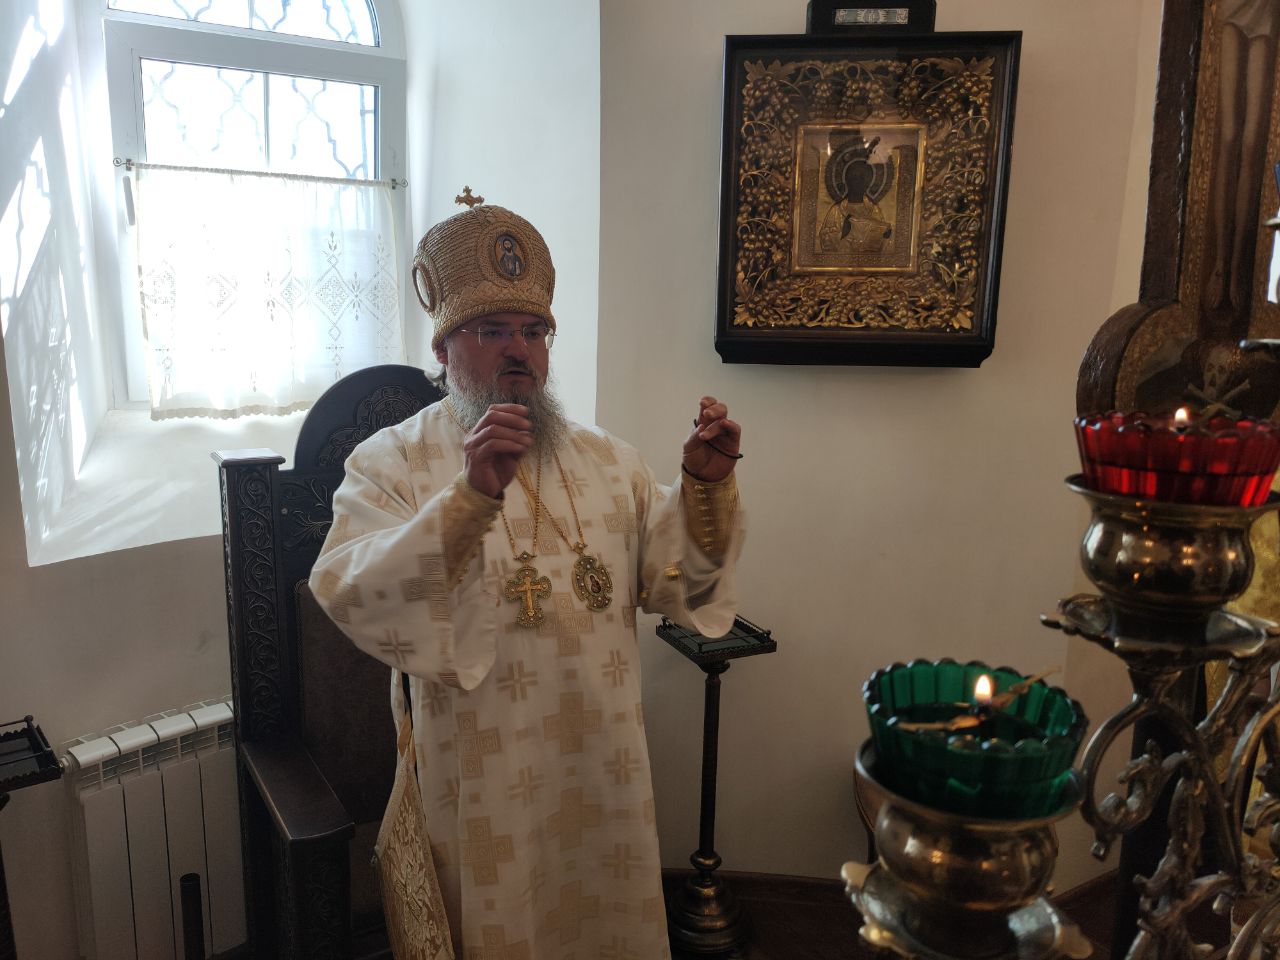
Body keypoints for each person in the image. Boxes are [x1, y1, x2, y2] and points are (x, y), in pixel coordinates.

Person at [309, 195, 744, 958]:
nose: (520, 349)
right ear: (444, 348)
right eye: (493, 330)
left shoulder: (609, 459)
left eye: (534, 331)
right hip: (482, 776)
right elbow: (349, 587)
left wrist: (705, 487)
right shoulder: (392, 461)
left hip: (601, 765)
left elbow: (675, 582)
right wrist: (469, 498)